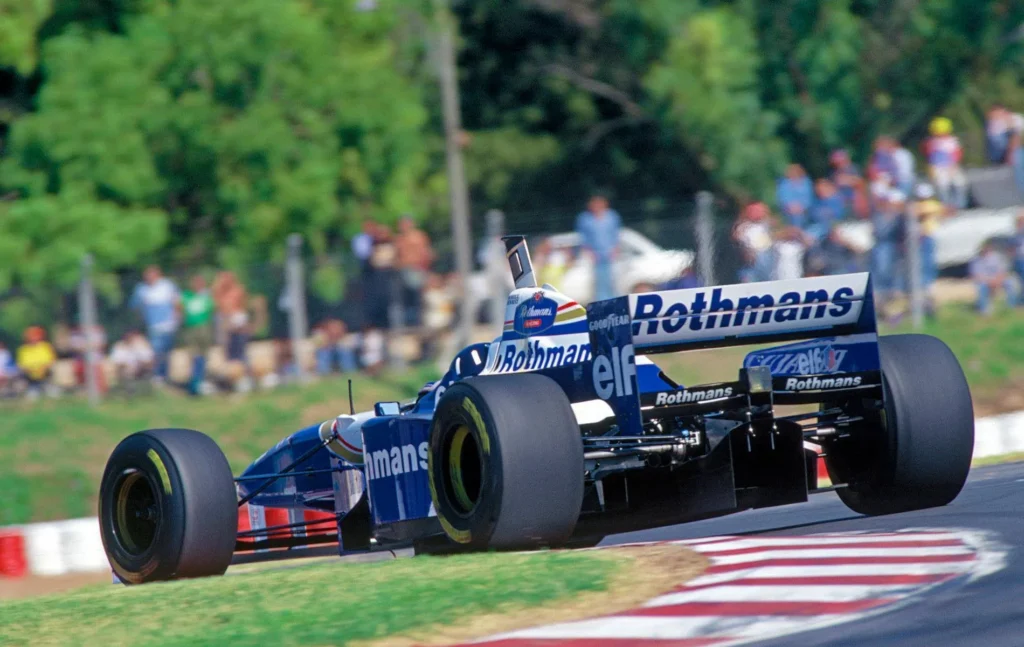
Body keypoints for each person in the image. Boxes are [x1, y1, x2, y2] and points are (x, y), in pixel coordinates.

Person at [129, 266, 180, 382]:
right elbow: (135, 306)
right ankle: (157, 375)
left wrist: (177, 317)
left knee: (166, 351)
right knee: (156, 351)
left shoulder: (167, 285)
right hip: (153, 326)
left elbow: (176, 302)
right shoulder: (141, 289)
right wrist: (142, 319)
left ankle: (165, 374)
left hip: (169, 324)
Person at [575, 194, 622, 301]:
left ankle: (615, 301)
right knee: (599, 282)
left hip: (610, 254)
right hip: (595, 255)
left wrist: (615, 249)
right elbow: (583, 238)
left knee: (614, 280)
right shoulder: (585, 219)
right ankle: (602, 302)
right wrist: (589, 252)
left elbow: (616, 234)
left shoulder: (612, 216)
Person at [911, 183, 946, 316]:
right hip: (922, 237)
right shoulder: (930, 205)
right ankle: (925, 286)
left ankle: (928, 286)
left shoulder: (930, 205)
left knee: (927, 262)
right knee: (923, 263)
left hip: (927, 236)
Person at [213, 271, 252, 393]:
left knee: (240, 352)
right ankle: (230, 383)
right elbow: (217, 302)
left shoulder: (238, 290)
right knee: (228, 353)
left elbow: (242, 306)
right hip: (225, 322)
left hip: (237, 321)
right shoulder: (220, 292)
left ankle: (245, 379)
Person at [395, 216, 435, 327]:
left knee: (419, 297)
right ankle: (408, 322)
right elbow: (397, 257)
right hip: (403, 272)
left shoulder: (418, 237)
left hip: (417, 270)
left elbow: (427, 254)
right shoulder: (399, 240)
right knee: (405, 300)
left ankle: (420, 321)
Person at [872, 189, 907, 314]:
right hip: (884, 246)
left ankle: (894, 295)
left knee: (896, 271)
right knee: (883, 270)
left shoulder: (900, 216)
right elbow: (880, 233)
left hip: (896, 247)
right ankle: (883, 296)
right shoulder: (880, 216)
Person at [179, 275, 215, 396]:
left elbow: (213, 309)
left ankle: (201, 379)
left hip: (204, 327)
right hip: (191, 328)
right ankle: (195, 383)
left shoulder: (206, 296)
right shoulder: (186, 296)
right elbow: (179, 307)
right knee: (194, 355)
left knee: (204, 355)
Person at [923, 117, 967, 209]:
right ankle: (946, 206)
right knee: (942, 185)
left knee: (960, 183)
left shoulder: (952, 140)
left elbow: (957, 153)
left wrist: (954, 164)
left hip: (952, 166)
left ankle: (960, 205)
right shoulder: (931, 142)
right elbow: (929, 155)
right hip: (938, 167)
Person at [970, 241, 1021, 315]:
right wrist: (990, 281)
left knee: (1011, 283)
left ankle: (1012, 305)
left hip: (998, 279)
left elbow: (1003, 271)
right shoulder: (976, 260)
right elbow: (977, 275)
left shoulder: (996, 257)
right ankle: (985, 311)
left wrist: (998, 280)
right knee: (981, 287)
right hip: (985, 281)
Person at [732, 202, 774, 283]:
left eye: (759, 210)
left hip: (768, 261)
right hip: (750, 263)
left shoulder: (768, 226)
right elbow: (737, 240)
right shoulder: (742, 227)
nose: (757, 213)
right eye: (754, 211)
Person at [16, 326, 56, 399]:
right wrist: (29, 370)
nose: (33, 338)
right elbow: (21, 365)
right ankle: (31, 390)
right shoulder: (23, 349)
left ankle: (48, 387)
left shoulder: (46, 347)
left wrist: (42, 369)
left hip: (45, 375)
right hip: (30, 377)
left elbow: (51, 361)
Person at [830, 150, 868, 218]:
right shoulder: (834, 172)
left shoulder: (853, 168)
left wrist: (847, 180)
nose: (838, 163)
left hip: (854, 199)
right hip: (841, 199)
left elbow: (861, 183)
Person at [776, 164, 814, 229]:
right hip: (789, 209)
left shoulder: (806, 183)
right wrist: (791, 207)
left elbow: (809, 197)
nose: (793, 173)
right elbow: (783, 198)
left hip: (805, 209)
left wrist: (803, 207)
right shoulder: (784, 184)